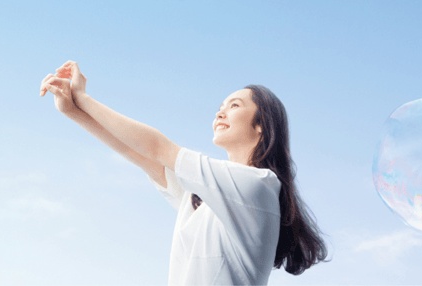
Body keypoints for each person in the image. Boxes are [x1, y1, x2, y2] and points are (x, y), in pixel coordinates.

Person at [39, 61, 329, 285]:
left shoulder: (257, 185)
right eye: (220, 107)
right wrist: (73, 111)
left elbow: (157, 148)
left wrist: (84, 99)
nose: (220, 113)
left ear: (261, 125)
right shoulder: (205, 197)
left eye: (234, 106)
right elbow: (139, 155)